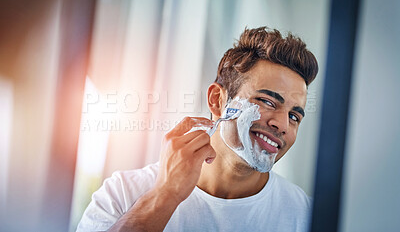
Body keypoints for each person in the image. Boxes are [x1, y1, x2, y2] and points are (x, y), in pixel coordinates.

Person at [77, 26, 318, 232]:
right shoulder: (122, 194)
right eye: (266, 101)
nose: (283, 125)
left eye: (294, 116)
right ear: (217, 100)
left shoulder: (307, 218)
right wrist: (165, 195)